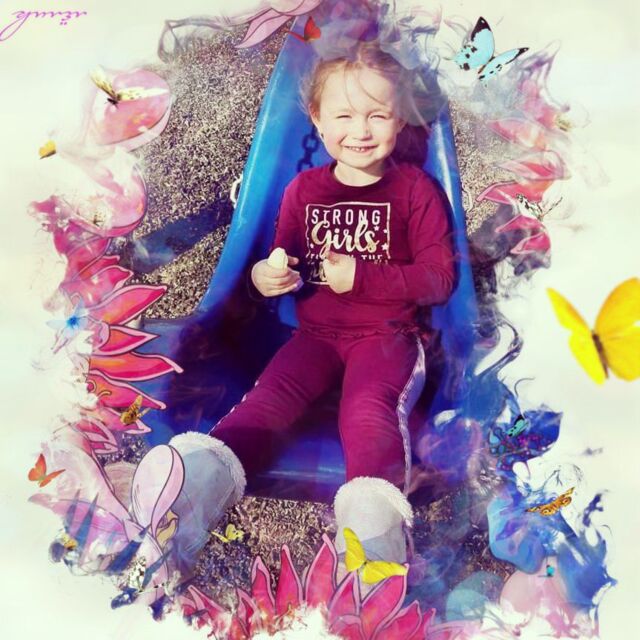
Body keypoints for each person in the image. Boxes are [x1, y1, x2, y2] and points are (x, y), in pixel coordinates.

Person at [165, 41, 455, 580]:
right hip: (315, 337)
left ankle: (372, 547)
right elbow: (282, 262)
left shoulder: (416, 191)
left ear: (400, 119)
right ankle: (185, 508)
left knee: (367, 410)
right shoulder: (304, 189)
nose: (360, 130)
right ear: (317, 120)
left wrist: (361, 275)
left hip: (388, 338)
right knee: (267, 401)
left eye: (377, 115)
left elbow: (439, 280)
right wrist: (268, 276)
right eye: (344, 115)